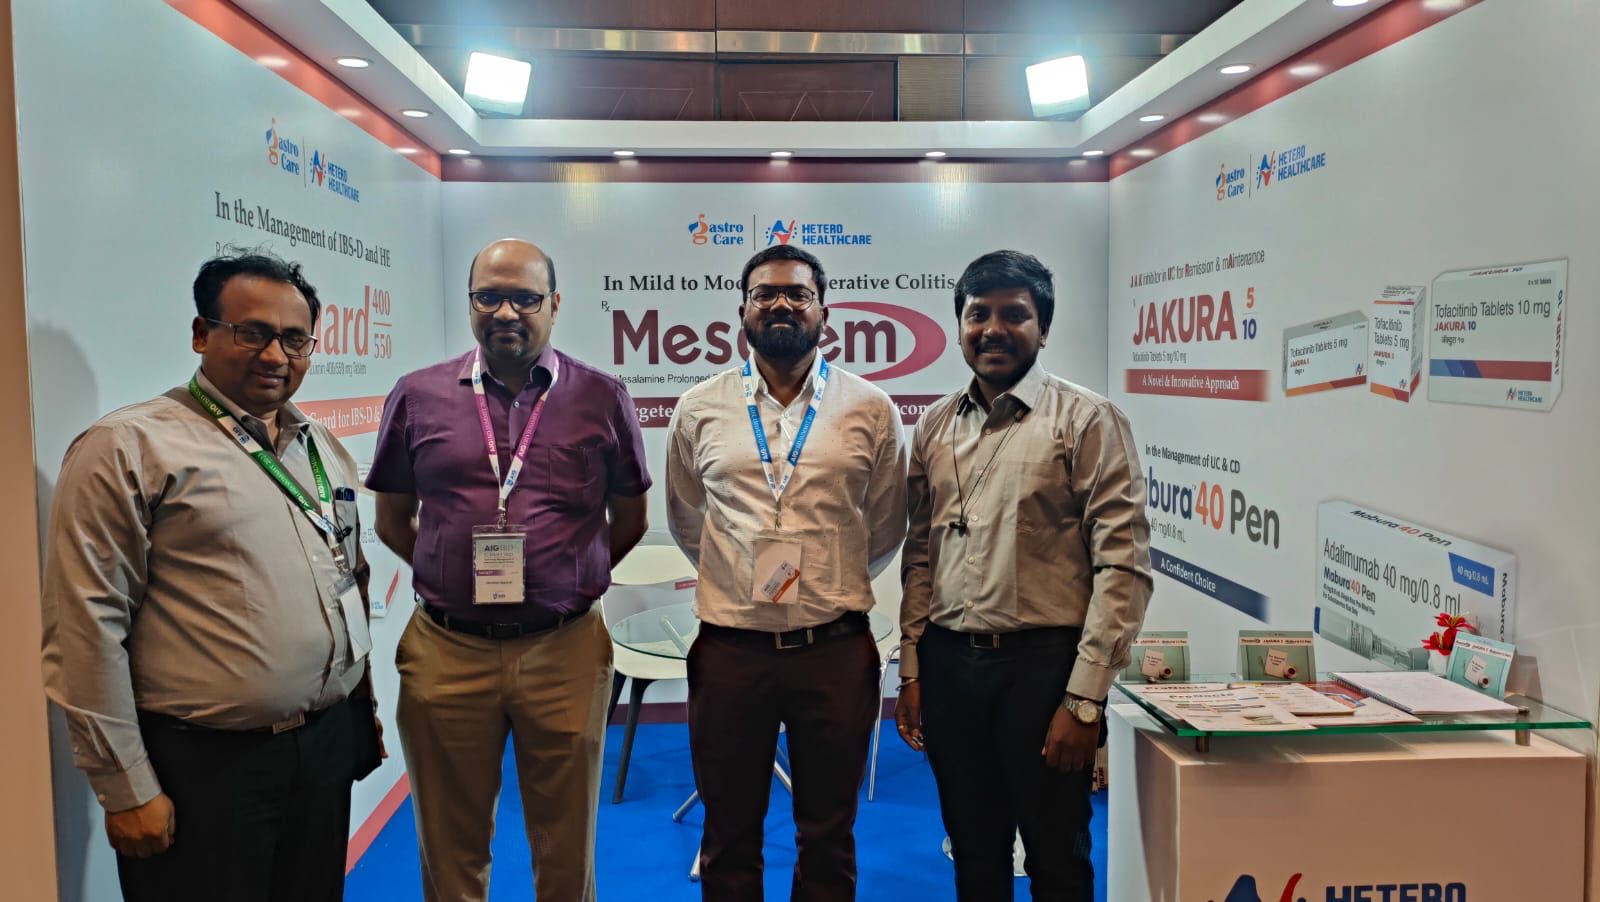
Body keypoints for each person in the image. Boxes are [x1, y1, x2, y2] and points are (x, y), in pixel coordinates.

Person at [41, 249, 382, 902]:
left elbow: (346, 577)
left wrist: (356, 723)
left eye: (295, 339)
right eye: (251, 333)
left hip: (322, 751)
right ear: (202, 333)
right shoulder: (129, 446)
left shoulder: (318, 445)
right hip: (206, 769)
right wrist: (126, 787)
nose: (275, 355)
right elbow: (86, 626)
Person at [368, 238, 651, 902]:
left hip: (565, 649)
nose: (506, 312)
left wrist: (566, 579)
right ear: (470, 302)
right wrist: (449, 575)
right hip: (447, 649)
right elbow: (392, 519)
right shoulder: (417, 396)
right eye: (489, 296)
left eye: (524, 298)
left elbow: (630, 518)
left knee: (565, 842)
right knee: (450, 841)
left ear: (554, 304)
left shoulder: (602, 397)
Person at [895, 250, 1152, 901]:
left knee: (1057, 857)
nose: (993, 329)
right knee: (973, 853)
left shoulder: (1086, 420)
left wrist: (1085, 699)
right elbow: (921, 554)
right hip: (950, 667)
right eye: (978, 314)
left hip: (1044, 672)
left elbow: (1123, 566)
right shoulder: (933, 425)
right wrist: (913, 669)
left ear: (1044, 328)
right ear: (959, 326)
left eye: (1014, 314)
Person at [666, 244, 908, 901]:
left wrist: (827, 579)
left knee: (828, 837)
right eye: (764, 293)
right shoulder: (699, 407)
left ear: (823, 311)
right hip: (730, 650)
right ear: (741, 310)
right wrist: (737, 574)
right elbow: (687, 517)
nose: (780, 304)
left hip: (834, 650)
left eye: (798, 294)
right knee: (727, 837)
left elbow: (886, 524)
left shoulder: (871, 408)